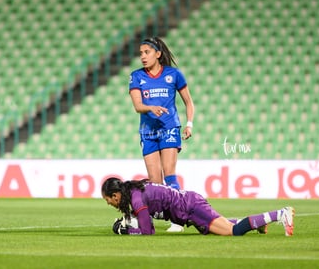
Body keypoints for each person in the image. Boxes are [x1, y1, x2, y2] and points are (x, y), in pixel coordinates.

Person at [128, 36, 195, 232]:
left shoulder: (173, 75)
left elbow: (189, 102)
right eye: (141, 53)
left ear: (158, 54)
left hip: (169, 129)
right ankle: (151, 218)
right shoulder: (136, 76)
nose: (142, 56)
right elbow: (138, 106)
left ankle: (178, 219)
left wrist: (189, 124)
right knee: (155, 183)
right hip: (148, 132)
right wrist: (151, 107)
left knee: (170, 175)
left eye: (146, 52)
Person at [101, 177, 295, 236]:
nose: (108, 203)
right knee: (222, 226)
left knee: (232, 231)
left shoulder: (136, 199)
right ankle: (258, 224)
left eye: (108, 199)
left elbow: (147, 231)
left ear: (116, 195)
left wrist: (125, 231)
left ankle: (281, 213)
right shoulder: (134, 193)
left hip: (191, 208)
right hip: (189, 207)